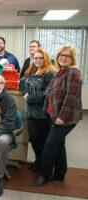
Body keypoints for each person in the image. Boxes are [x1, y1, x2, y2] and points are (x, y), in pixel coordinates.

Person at [33, 45, 82, 186]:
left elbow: (70, 97)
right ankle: (60, 172)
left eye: (67, 56)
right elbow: (50, 92)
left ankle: (44, 174)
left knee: (50, 144)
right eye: (61, 55)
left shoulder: (73, 72)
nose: (63, 58)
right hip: (53, 114)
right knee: (59, 144)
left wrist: (62, 117)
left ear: (72, 58)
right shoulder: (60, 72)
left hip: (65, 117)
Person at [19, 49, 56, 172]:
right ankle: (38, 161)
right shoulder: (31, 71)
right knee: (34, 141)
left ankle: (45, 166)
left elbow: (46, 93)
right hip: (30, 113)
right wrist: (25, 93)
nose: (38, 60)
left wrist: (29, 98)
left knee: (43, 142)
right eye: (35, 58)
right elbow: (22, 82)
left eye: (40, 58)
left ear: (45, 59)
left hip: (42, 114)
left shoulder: (50, 73)